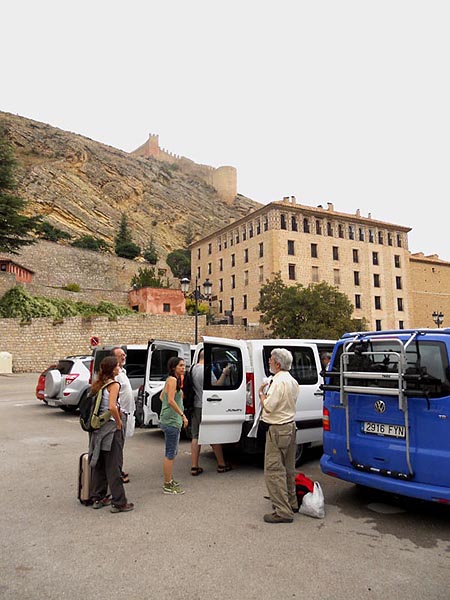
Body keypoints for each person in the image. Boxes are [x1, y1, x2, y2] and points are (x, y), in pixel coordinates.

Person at [258, 348, 299, 524]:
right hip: (290, 426)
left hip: (277, 428)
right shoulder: (292, 381)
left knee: (274, 470)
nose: (269, 362)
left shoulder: (278, 382)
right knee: (288, 468)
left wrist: (261, 393)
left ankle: (283, 511)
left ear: (278, 363)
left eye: (270, 360)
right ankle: (291, 501)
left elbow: (269, 406)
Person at [89, 356, 134, 513]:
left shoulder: (98, 383)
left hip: (98, 430)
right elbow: (112, 406)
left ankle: (98, 497)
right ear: (113, 369)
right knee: (114, 465)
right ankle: (119, 502)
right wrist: (119, 422)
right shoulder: (114, 384)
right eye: (117, 366)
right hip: (110, 429)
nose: (119, 368)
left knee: (100, 464)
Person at [190, 349, 232, 476]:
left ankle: (194, 466)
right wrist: (224, 373)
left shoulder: (193, 369)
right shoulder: (207, 370)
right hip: (207, 406)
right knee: (213, 434)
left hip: (195, 405)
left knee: (195, 436)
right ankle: (221, 464)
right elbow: (217, 384)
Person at [160, 356, 188, 494]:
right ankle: (167, 484)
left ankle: (169, 478)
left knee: (173, 451)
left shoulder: (173, 381)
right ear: (173, 368)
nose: (183, 368)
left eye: (184, 365)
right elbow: (170, 400)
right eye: (180, 366)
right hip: (171, 420)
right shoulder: (172, 380)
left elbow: (162, 396)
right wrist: (182, 415)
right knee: (170, 453)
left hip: (171, 419)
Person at [111, 346, 134, 484]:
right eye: (120, 355)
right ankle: (116, 472)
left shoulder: (123, 372)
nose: (123, 357)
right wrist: (118, 418)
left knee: (121, 444)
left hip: (126, 413)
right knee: (117, 445)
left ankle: (118, 468)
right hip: (120, 414)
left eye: (124, 355)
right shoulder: (114, 375)